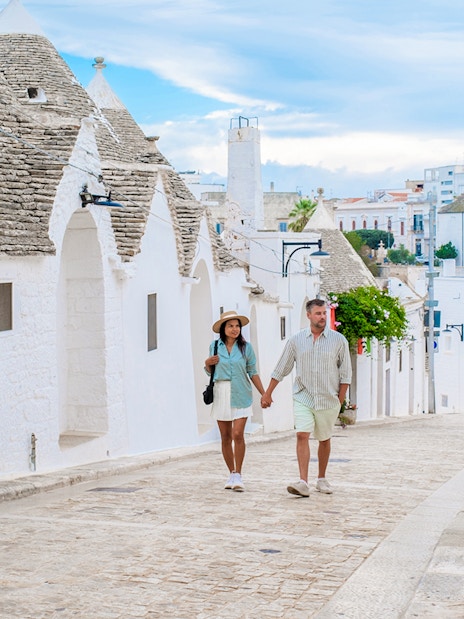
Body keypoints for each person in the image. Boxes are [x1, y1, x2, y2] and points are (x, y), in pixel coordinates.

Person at [260, 299, 351, 497]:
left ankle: (321, 478)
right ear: (308, 315)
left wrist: (340, 399)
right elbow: (282, 367)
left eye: (324, 313)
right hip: (304, 395)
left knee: (324, 439)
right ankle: (303, 482)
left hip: (328, 398)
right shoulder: (296, 340)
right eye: (318, 313)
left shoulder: (338, 341)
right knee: (302, 434)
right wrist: (268, 393)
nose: (322, 317)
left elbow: (345, 373)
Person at [205, 310, 265, 492]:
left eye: (237, 326)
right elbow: (210, 372)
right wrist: (207, 363)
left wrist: (264, 393)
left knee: (238, 434)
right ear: (223, 329)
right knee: (225, 436)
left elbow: (252, 372)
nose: (235, 329)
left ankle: (238, 474)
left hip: (241, 392)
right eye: (230, 326)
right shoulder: (215, 346)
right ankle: (231, 472)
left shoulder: (246, 348)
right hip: (221, 391)